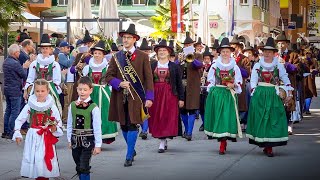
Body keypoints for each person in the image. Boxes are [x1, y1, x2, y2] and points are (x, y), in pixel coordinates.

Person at [106, 24, 154, 167]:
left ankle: (128, 155)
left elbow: (149, 78)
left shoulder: (143, 56)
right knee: (124, 125)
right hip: (120, 96)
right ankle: (131, 149)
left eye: (128, 37)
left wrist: (150, 97)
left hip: (137, 97)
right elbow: (108, 76)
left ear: (134, 39)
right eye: (124, 37)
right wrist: (119, 83)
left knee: (133, 124)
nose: (125, 40)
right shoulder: (116, 57)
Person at [246, 37, 293, 157]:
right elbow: (253, 81)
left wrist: (289, 91)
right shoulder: (257, 65)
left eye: (269, 52)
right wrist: (254, 92)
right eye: (265, 51)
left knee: (273, 119)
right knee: (262, 119)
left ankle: (270, 147)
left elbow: (285, 78)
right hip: (260, 94)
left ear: (274, 53)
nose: (267, 54)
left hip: (273, 93)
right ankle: (265, 144)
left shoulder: (278, 65)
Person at [12, 79, 63, 180]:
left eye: (42, 91)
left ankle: (45, 177)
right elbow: (19, 120)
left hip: (46, 136)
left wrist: (54, 127)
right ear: (34, 91)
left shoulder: (51, 106)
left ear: (48, 91)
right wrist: (17, 133)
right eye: (37, 91)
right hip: (33, 136)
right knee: (34, 157)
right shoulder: (29, 106)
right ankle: (37, 176)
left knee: (44, 157)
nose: (40, 93)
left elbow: (58, 121)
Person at [204, 38, 243, 155]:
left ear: (231, 52)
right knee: (219, 118)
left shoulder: (235, 67)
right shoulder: (215, 66)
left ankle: (223, 142)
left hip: (229, 94)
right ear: (220, 52)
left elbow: (239, 81)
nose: (225, 54)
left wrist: (233, 85)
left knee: (227, 117)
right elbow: (210, 81)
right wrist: (212, 90)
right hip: (217, 94)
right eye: (223, 51)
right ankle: (222, 141)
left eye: (227, 51)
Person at [148, 40, 184, 153]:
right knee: (157, 117)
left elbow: (179, 83)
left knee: (167, 116)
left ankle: (162, 141)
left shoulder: (174, 66)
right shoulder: (152, 65)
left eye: (164, 50)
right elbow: (147, 81)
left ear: (169, 53)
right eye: (160, 50)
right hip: (156, 94)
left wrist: (181, 98)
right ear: (157, 53)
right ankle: (161, 139)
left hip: (170, 94)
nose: (162, 52)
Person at [82, 40, 118, 144]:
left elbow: (111, 81)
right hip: (91, 92)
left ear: (103, 55)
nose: (97, 55)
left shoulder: (107, 67)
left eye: (99, 53)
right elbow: (84, 81)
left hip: (104, 92)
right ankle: (91, 137)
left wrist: (111, 93)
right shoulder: (87, 68)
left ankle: (103, 136)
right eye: (95, 53)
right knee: (90, 114)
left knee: (104, 113)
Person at [67, 77, 102, 180]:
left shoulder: (94, 107)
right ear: (77, 89)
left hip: (88, 140)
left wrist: (98, 145)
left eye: (85, 90)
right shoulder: (72, 105)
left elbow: (97, 127)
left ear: (90, 90)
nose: (82, 92)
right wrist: (69, 139)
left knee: (84, 166)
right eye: (80, 89)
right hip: (75, 140)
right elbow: (69, 124)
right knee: (78, 165)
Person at [24, 34, 62, 115]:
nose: (45, 50)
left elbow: (57, 80)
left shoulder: (55, 64)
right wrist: (27, 89)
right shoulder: (34, 63)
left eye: (47, 48)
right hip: (37, 89)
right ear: (40, 49)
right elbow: (30, 78)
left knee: (51, 110)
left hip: (50, 89)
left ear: (50, 50)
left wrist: (54, 89)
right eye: (43, 48)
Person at [2, 44, 30, 139]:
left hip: (7, 89)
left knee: (8, 110)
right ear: (15, 53)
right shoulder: (15, 63)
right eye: (18, 52)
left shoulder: (6, 61)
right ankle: (11, 131)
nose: (19, 53)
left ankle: (6, 131)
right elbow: (23, 75)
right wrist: (25, 67)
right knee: (15, 111)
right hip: (15, 90)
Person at [179, 32, 203, 141]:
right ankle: (187, 129)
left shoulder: (197, 55)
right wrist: (179, 60)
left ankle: (189, 132)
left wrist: (191, 57)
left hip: (193, 86)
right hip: (182, 86)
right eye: (186, 45)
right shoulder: (179, 55)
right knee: (183, 109)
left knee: (192, 109)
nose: (187, 46)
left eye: (189, 45)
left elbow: (199, 65)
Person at [199, 46, 213, 132]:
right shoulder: (201, 67)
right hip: (201, 89)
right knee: (201, 108)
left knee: (207, 107)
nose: (206, 60)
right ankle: (204, 122)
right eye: (205, 58)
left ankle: (207, 124)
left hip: (209, 89)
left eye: (208, 58)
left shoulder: (213, 66)